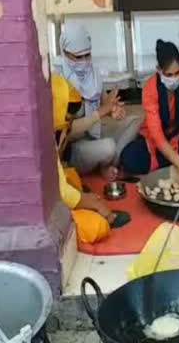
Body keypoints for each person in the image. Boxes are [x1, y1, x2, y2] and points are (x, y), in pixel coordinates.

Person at [58, 21, 142, 179]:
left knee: (135, 121)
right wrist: (102, 111)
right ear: (65, 52)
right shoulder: (59, 79)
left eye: (87, 54)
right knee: (108, 147)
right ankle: (106, 162)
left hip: (96, 135)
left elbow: (105, 103)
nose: (84, 61)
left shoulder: (94, 72)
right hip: (74, 146)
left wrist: (115, 111)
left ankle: (105, 163)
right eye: (78, 57)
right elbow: (68, 132)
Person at [52, 74, 128, 244]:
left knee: (73, 180)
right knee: (96, 227)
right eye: (67, 119)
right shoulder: (43, 136)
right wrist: (88, 202)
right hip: (41, 210)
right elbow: (59, 191)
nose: (68, 124)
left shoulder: (55, 125)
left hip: (62, 183)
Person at [120, 40, 179, 181]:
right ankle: (172, 163)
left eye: (177, 73)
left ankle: (167, 165)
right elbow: (156, 134)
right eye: (168, 75)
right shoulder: (149, 88)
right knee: (130, 157)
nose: (174, 78)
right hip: (154, 142)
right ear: (159, 70)